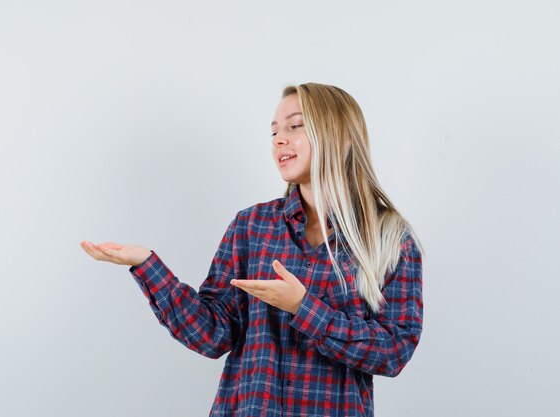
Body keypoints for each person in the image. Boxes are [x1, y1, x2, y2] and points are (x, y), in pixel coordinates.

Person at [80, 82, 424, 417]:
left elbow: (394, 352)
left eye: (295, 126)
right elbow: (213, 334)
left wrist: (303, 308)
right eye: (274, 131)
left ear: (342, 136)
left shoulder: (390, 238)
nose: (279, 139)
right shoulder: (252, 226)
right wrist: (147, 265)